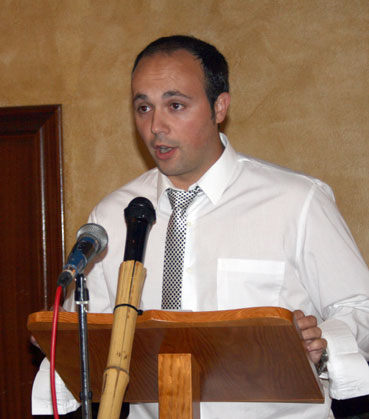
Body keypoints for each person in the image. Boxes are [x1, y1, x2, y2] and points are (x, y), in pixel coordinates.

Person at [32, 35, 369, 418]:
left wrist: (324, 340)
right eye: (143, 107)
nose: (156, 125)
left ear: (219, 106)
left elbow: (361, 307)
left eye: (175, 105)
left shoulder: (298, 201)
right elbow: (92, 334)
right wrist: (61, 340)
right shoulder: (112, 215)